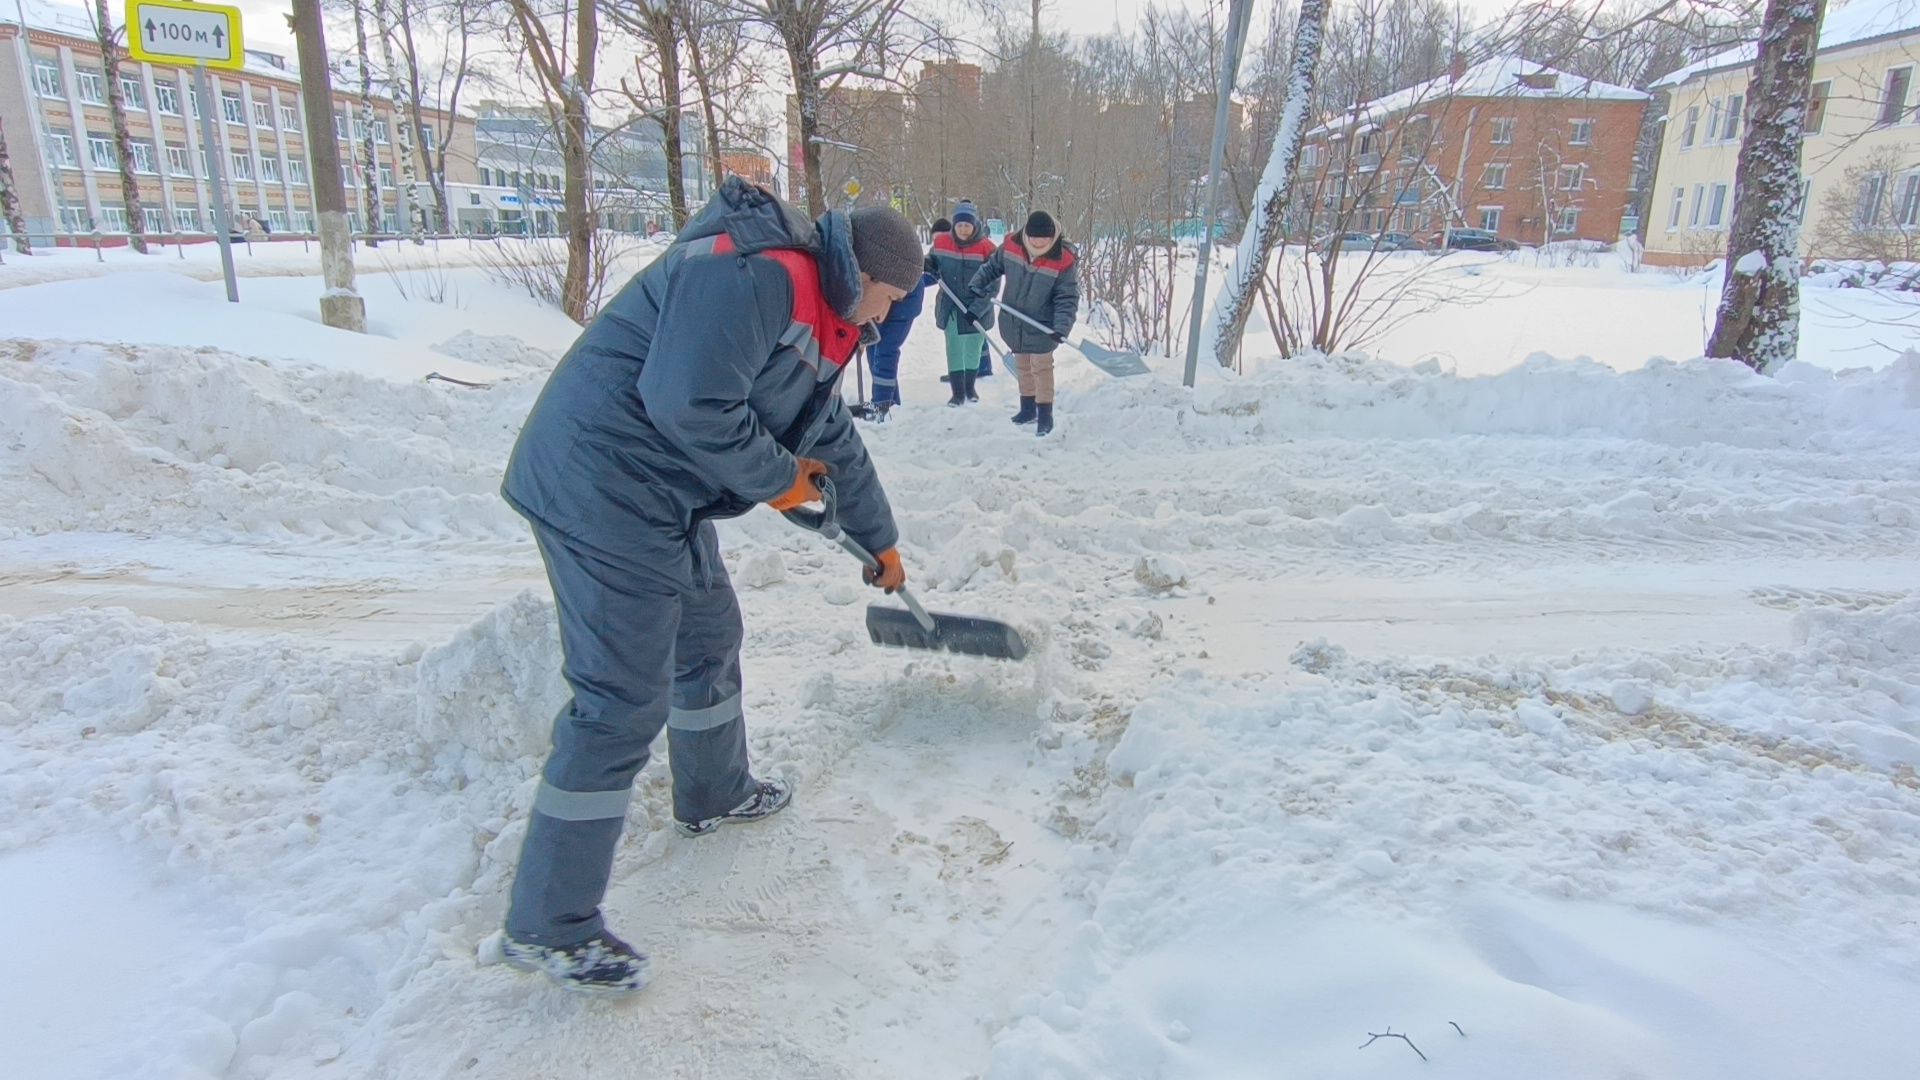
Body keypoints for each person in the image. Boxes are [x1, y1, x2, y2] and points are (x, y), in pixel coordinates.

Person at [496, 178, 923, 995]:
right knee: (620, 699)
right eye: (890, 299)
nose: (885, 318)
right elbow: (685, 402)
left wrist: (882, 542)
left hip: (662, 493)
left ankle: (715, 791)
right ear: (864, 270)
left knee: (707, 638)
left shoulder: (820, 318)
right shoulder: (759, 274)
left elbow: (828, 438)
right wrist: (780, 482)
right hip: (601, 481)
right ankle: (547, 924)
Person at [970, 211, 1080, 437]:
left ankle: (1045, 415)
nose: (1040, 242)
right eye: (1035, 237)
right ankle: (1028, 408)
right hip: (1013, 321)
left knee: (1041, 368)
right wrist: (978, 283)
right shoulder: (1012, 245)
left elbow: (1067, 298)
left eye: (1045, 239)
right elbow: (993, 267)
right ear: (1027, 234)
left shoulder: (1063, 259)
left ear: (1052, 237)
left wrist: (1061, 327)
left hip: (1043, 326)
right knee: (1022, 365)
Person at [924, 200, 996, 406]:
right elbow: (932, 261)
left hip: (977, 307)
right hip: (951, 304)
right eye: (960, 225)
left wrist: (977, 309)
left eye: (967, 225)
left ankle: (970, 388)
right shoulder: (942, 243)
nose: (963, 229)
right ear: (954, 225)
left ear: (975, 226)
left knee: (973, 348)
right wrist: (929, 264)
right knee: (954, 347)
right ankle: (957, 393)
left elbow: (992, 284)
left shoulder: (987, 249)